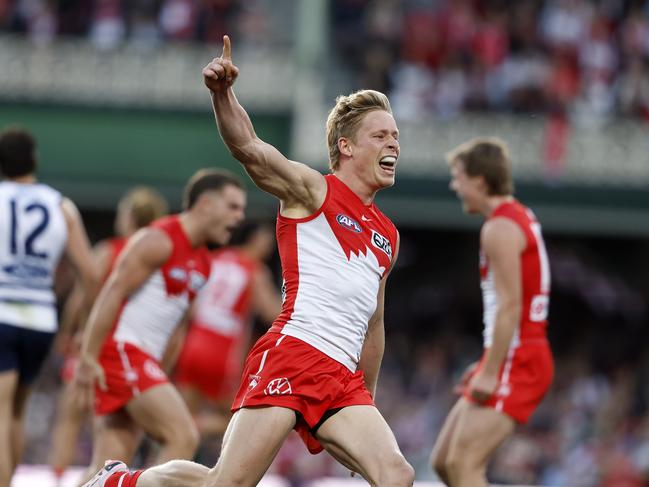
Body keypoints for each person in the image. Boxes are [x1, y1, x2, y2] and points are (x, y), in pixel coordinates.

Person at [83, 34, 414, 487]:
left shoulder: (387, 235)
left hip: (342, 380)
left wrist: (368, 402)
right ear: (346, 146)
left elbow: (373, 324)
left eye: (395, 136)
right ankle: (119, 481)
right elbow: (251, 150)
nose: (393, 144)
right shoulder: (313, 190)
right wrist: (222, 95)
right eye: (380, 135)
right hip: (293, 354)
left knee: (397, 475)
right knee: (227, 483)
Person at [74, 168, 246, 485]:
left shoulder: (204, 262)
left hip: (142, 361)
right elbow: (112, 292)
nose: (239, 217)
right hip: (122, 352)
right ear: (205, 203)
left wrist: (160, 371)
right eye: (233, 207)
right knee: (182, 434)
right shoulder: (158, 240)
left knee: (106, 465)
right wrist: (88, 356)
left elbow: (177, 327)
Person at [430, 137, 554, 487]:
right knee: (442, 462)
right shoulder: (516, 216)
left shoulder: (498, 228)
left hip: (520, 357)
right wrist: (487, 362)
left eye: (459, 177)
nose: (455, 186)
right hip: (515, 353)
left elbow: (511, 305)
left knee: (462, 464)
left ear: (480, 181)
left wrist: (492, 369)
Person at [0, 127, 99, 487]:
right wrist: (85, 323)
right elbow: (90, 273)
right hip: (41, 318)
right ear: (34, 158)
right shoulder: (60, 205)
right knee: (16, 413)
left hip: (2, 311)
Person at [49, 186, 169, 484]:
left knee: (70, 417)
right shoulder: (159, 258)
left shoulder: (111, 250)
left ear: (128, 217)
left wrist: (69, 331)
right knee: (112, 430)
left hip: (96, 343)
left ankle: (58, 477)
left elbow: (81, 297)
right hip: (133, 351)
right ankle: (109, 478)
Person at [174, 221, 282, 441]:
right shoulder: (254, 270)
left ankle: (168, 460)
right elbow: (273, 313)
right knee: (237, 419)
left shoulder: (214, 259)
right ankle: (199, 432)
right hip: (221, 350)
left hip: (194, 342)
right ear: (256, 239)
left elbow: (191, 304)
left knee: (183, 416)